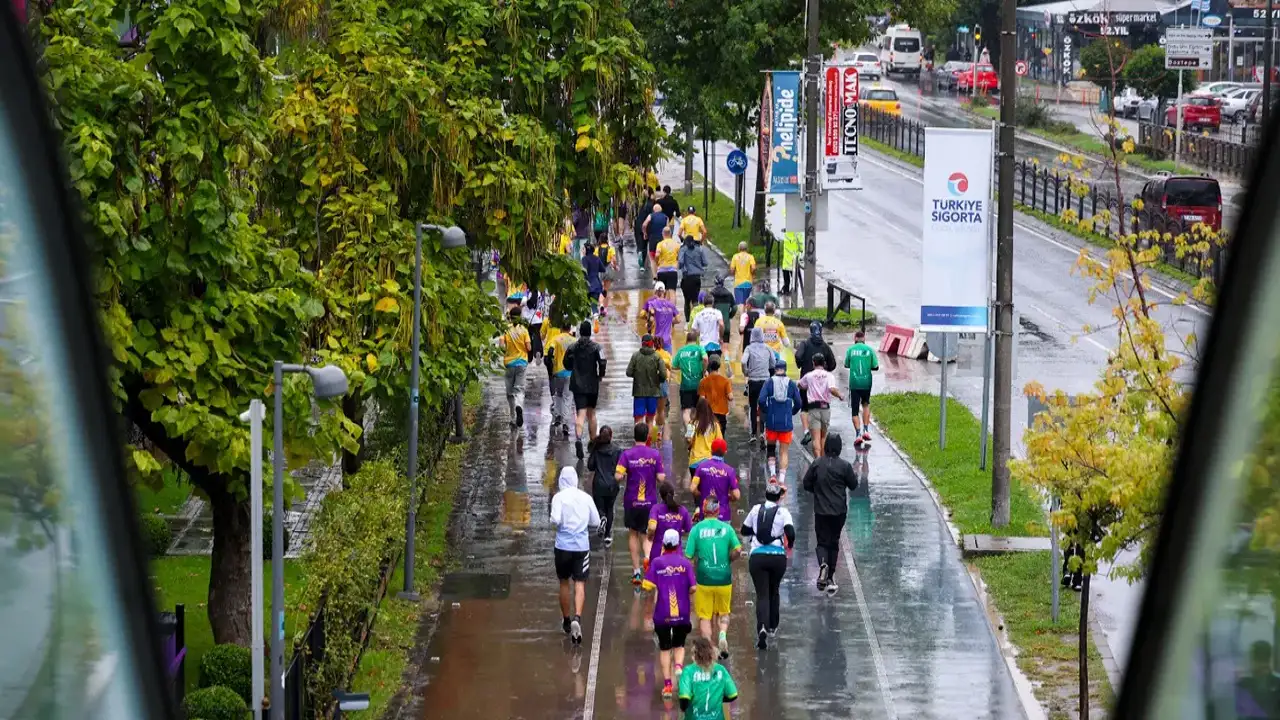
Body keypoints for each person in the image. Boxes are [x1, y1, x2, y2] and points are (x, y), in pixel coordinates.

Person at [641, 528, 697, 699]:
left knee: (665, 648)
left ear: (664, 544)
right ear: (679, 544)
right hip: (682, 613)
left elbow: (647, 586)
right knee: (679, 645)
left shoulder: (657, 563)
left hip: (662, 614)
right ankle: (679, 666)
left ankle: (667, 686)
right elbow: (694, 587)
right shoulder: (685, 563)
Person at [684, 497, 742, 661]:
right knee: (723, 613)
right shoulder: (727, 528)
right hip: (724, 579)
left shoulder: (697, 530)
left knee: (705, 616)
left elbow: (688, 557)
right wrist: (728, 559)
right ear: (718, 510)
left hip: (704, 580)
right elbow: (738, 550)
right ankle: (722, 635)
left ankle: (709, 647)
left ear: (704, 510)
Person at [801, 434, 859, 595]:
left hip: (821, 510)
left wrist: (817, 491)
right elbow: (853, 485)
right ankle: (831, 577)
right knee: (834, 542)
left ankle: (823, 565)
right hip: (839, 511)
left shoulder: (817, 464)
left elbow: (806, 484)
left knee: (822, 542)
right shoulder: (845, 466)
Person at [741, 480, 795, 650]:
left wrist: (755, 534)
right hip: (777, 558)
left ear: (766, 495)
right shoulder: (783, 512)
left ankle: (762, 627)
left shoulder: (756, 509)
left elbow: (744, 530)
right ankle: (773, 626)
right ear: (779, 497)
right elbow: (790, 532)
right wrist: (789, 545)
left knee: (762, 594)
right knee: (774, 590)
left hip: (757, 557)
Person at [550, 466, 601, 643]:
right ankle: (577, 618)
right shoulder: (585, 497)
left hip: (562, 546)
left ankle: (566, 620)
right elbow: (595, 521)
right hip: (581, 547)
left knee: (564, 582)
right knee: (580, 583)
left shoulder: (558, 497)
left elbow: (555, 520)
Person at [617, 422, 667, 583]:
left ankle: (636, 571)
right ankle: (647, 557)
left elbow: (618, 476)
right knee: (647, 535)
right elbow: (661, 478)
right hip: (650, 503)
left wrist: (625, 475)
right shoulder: (655, 455)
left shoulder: (627, 454)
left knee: (633, 533)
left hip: (631, 501)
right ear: (647, 437)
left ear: (634, 436)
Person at [567, 320, 607, 458]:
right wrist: (600, 375)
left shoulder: (573, 347)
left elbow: (566, 363)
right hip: (592, 385)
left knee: (581, 414)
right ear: (590, 332)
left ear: (580, 332)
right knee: (592, 414)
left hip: (577, 385)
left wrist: (573, 367)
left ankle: (578, 439)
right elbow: (602, 361)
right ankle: (592, 441)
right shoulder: (597, 347)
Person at [757, 359, 802, 481]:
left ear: (775, 369)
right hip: (786, 423)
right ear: (785, 369)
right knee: (784, 452)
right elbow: (798, 403)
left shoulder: (769, 382)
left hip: (771, 422)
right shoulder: (791, 384)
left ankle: (772, 475)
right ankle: (781, 480)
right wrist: (791, 412)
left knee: (771, 448)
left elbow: (761, 400)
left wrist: (767, 410)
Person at [794, 322, 836, 446]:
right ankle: (820, 435)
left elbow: (798, 356)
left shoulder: (805, 344)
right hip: (822, 383)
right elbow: (833, 364)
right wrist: (825, 369)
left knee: (805, 408)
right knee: (821, 407)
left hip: (806, 381)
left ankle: (807, 431)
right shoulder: (825, 346)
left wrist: (801, 365)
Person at [679, 636, 739, 717]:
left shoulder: (688, 671)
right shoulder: (721, 670)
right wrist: (718, 698)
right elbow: (733, 695)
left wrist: (684, 709)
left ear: (695, 654)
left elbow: (684, 698)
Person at [797, 353, 843, 458]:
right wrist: (840, 395)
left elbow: (800, 385)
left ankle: (817, 460)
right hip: (825, 409)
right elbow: (832, 389)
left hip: (813, 409)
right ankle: (823, 459)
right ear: (824, 363)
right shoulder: (829, 376)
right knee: (823, 437)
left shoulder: (809, 376)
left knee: (815, 438)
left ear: (813, 363)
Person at [588, 425, 623, 548]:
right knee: (610, 508)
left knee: (600, 507)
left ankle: (602, 517)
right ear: (611, 436)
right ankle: (607, 535)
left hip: (598, 484)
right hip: (612, 484)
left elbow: (590, 466)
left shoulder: (597, 449)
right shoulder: (618, 450)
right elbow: (621, 468)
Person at [843, 330, 880, 445]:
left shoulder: (850, 350)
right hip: (866, 382)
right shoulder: (869, 350)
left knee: (854, 410)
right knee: (865, 405)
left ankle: (858, 434)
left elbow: (846, 365)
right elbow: (876, 366)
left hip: (854, 383)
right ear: (864, 339)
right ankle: (866, 430)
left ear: (855, 338)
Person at [690, 438, 740, 523]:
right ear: (725, 452)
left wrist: (699, 494)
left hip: (705, 514)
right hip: (723, 515)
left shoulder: (701, 467)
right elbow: (737, 495)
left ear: (711, 451)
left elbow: (692, 488)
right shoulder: (730, 470)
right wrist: (729, 498)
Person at [497, 308, 531, 428]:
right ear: (520, 316)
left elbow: (501, 347)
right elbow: (529, 347)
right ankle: (519, 406)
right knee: (519, 390)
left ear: (510, 317)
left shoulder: (505, 330)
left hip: (509, 363)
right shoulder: (524, 330)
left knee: (509, 392)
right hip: (521, 362)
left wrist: (506, 351)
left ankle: (512, 418)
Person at [626, 334, 666, 431]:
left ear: (642, 344)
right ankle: (648, 443)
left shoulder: (635, 356)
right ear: (652, 344)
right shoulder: (657, 357)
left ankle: (639, 443)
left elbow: (628, 372)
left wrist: (637, 375)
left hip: (639, 393)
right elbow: (664, 375)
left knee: (638, 419)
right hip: (653, 393)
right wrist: (658, 380)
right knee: (650, 420)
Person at [672, 331, 708, 437]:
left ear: (686, 340)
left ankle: (690, 432)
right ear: (696, 340)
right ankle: (701, 433)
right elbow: (705, 358)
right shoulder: (699, 348)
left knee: (686, 411)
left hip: (685, 385)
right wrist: (703, 370)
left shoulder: (681, 351)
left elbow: (673, 366)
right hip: (699, 385)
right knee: (699, 410)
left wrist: (682, 367)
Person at [647, 482, 692, 565]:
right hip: (677, 552)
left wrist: (650, 536)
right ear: (673, 494)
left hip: (658, 551)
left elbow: (652, 527)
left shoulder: (656, 509)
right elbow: (688, 530)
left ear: (660, 495)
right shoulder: (682, 510)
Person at [742, 327, 774, 444]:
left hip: (753, 381)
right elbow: (773, 363)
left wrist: (746, 372)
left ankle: (753, 434)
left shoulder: (749, 348)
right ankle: (762, 432)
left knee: (753, 407)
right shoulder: (767, 348)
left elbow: (743, 361)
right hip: (765, 381)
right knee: (763, 406)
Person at [545, 323, 576, 439]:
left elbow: (549, 353)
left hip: (557, 372)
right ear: (570, 328)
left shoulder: (555, 339)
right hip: (570, 373)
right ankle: (566, 424)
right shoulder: (574, 340)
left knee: (558, 395)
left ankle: (557, 416)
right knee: (568, 398)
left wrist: (550, 367)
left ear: (561, 328)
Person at [686, 397, 724, 478]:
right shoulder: (715, 425)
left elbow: (689, 440)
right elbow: (720, 443)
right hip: (711, 462)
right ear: (709, 410)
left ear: (697, 410)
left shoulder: (692, 424)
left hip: (695, 463)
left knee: (695, 487)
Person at [641, 282, 680, 353]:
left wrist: (648, 321)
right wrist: (670, 320)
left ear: (655, 291)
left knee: (656, 362)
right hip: (667, 340)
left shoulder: (652, 303)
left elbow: (648, 316)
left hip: (656, 340)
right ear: (664, 292)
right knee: (667, 361)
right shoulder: (671, 305)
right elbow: (678, 319)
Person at [697, 358, 732, 433]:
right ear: (718, 368)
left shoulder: (703, 381)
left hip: (708, 413)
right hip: (722, 413)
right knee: (721, 435)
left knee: (710, 434)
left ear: (709, 368)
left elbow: (702, 399)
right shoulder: (725, 381)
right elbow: (730, 397)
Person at [678, 233, 706, 320]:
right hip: (697, 278)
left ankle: (687, 321)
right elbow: (705, 263)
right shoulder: (699, 249)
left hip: (687, 278)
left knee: (687, 301)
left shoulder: (683, 250)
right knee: (695, 300)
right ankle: (697, 320)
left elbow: (681, 262)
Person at [690, 294, 724, 365]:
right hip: (715, 345)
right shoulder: (717, 312)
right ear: (712, 303)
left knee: (704, 370)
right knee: (715, 369)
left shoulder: (698, 314)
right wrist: (721, 338)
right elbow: (721, 324)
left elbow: (693, 329)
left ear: (703, 303)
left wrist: (699, 334)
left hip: (703, 346)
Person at [708, 277, 737, 346]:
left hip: (714, 328)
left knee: (715, 350)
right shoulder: (729, 294)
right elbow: (735, 308)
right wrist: (729, 316)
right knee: (725, 348)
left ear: (715, 283)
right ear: (723, 283)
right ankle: (726, 357)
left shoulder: (711, 294)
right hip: (726, 326)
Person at [582, 242, 606, 317]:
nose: (582, 251)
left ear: (587, 250)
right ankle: (596, 319)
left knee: (586, 308)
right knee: (594, 305)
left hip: (588, 285)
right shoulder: (596, 258)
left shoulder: (584, 259)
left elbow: (584, 271)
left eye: (583, 249)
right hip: (596, 284)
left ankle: (588, 324)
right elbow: (603, 269)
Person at [729, 243, 756, 308]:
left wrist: (734, 273)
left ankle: (741, 316)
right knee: (745, 303)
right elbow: (753, 268)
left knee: (739, 305)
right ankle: (745, 316)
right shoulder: (750, 257)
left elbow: (732, 270)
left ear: (739, 248)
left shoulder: (735, 256)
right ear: (747, 249)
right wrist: (752, 273)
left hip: (738, 284)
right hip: (748, 283)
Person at [655, 227, 681, 294]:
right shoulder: (676, 244)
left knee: (662, 292)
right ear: (670, 234)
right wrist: (677, 263)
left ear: (663, 234)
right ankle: (672, 305)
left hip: (662, 270)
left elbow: (657, 255)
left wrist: (657, 263)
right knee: (672, 292)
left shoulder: (660, 244)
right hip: (672, 270)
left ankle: (663, 304)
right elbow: (680, 256)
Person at [521, 290, 546, 361]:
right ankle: (538, 351)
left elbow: (529, 304)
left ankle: (529, 355)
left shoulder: (530, 292)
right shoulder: (541, 292)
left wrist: (522, 302)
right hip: (538, 319)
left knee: (528, 337)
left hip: (528, 319)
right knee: (536, 336)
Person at [643, 202, 668, 269]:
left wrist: (645, 233)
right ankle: (660, 271)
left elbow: (644, 224)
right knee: (661, 256)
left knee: (652, 258)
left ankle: (655, 275)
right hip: (662, 239)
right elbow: (667, 229)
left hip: (653, 239)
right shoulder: (665, 217)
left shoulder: (651, 216)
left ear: (654, 210)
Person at [598, 239, 619, 315]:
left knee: (600, 289)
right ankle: (605, 309)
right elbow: (614, 259)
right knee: (606, 290)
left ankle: (601, 305)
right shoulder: (611, 249)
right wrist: (615, 266)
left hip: (599, 270)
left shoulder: (597, 249)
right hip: (608, 270)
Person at [634, 189, 654, 266]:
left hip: (637, 225)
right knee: (645, 244)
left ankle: (639, 253)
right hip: (646, 226)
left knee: (639, 244)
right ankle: (643, 260)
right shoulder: (651, 204)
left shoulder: (636, 203)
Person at [780, 230, 800, 295]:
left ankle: (788, 289)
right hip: (790, 259)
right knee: (792, 276)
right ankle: (790, 289)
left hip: (790, 259)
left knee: (788, 276)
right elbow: (801, 244)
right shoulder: (796, 232)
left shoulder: (790, 233)